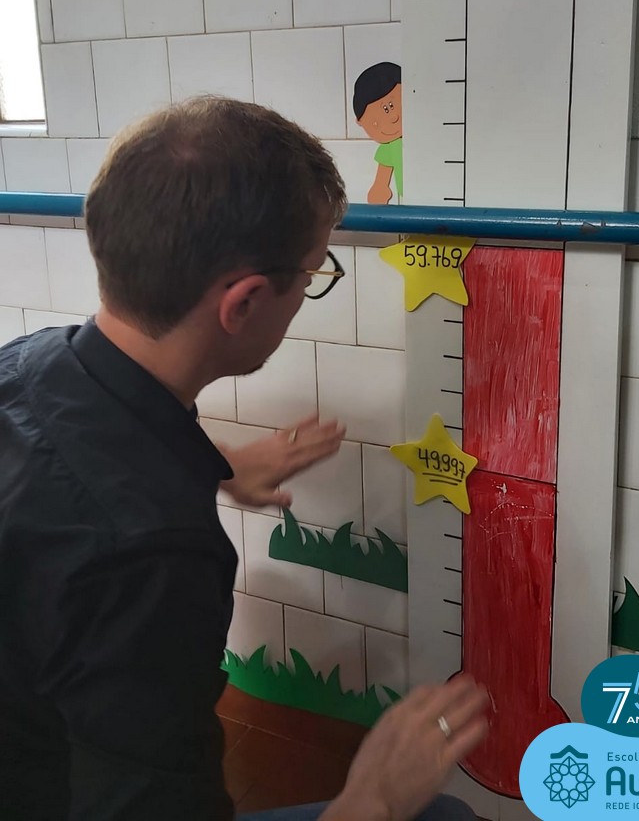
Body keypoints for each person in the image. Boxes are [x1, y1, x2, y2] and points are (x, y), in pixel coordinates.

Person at [0, 96, 488, 821]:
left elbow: (71, 461)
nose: (308, 290)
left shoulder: (29, 361)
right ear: (246, 302)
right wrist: (371, 800)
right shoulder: (155, 556)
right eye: (313, 274)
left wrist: (216, 465)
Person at [353, 62, 403, 205]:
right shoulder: (389, 148)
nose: (394, 117)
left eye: (392, 105)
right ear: (360, 121)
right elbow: (381, 183)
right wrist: (379, 188)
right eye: (386, 109)